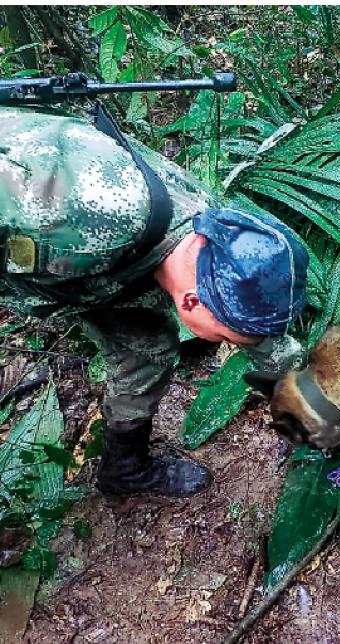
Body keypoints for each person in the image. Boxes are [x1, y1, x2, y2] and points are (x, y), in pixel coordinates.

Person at [0, 104, 309, 497]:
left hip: (100, 271)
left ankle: (123, 469)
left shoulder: (218, 234)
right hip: (36, 215)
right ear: (193, 304)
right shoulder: (73, 220)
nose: (229, 343)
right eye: (226, 339)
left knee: (146, 348)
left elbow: (257, 328)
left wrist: (309, 398)